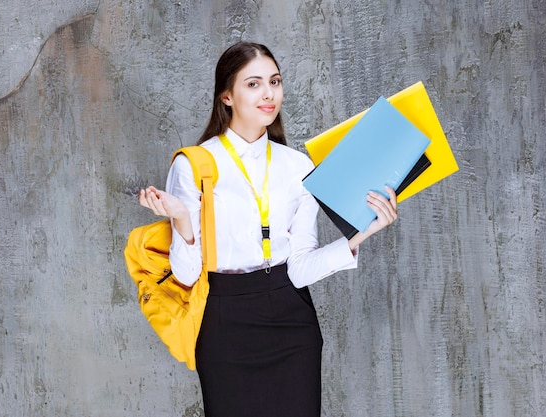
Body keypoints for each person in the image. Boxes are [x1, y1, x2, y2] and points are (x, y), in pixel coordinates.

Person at [138, 41, 398, 417]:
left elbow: (301, 267)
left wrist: (363, 233)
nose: (269, 94)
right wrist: (180, 218)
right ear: (226, 96)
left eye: (274, 81)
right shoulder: (194, 164)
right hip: (224, 317)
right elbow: (187, 273)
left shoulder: (299, 167)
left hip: (291, 319)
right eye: (253, 84)